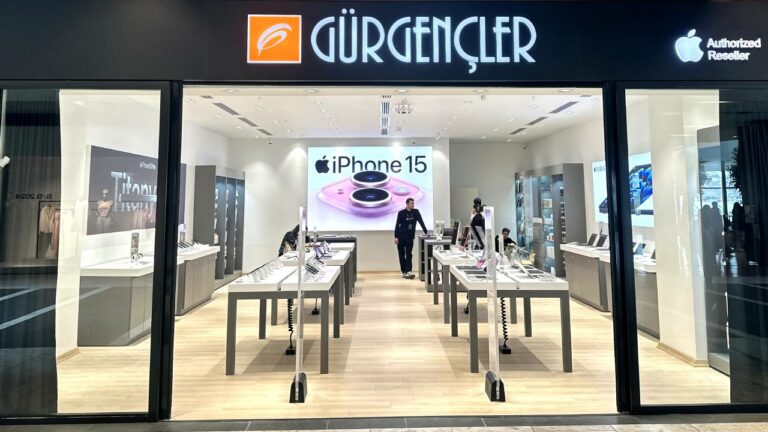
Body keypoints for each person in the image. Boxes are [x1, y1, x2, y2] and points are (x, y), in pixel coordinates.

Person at [394, 197, 428, 279]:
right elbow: (397, 225)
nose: (413, 205)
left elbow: (421, 222)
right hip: (401, 237)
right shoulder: (401, 213)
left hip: (410, 237)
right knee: (401, 255)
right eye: (411, 203)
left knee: (409, 254)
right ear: (407, 204)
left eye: (413, 203)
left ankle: (408, 271)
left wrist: (426, 232)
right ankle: (404, 271)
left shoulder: (416, 212)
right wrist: (396, 237)